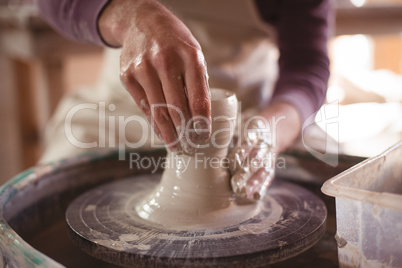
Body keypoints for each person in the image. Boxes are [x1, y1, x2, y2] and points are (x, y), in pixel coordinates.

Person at [36, 0, 331, 200]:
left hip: (246, 116)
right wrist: (130, 15)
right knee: (55, 187)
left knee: (326, 177)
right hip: (125, 108)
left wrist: (270, 132)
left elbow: (307, 65)